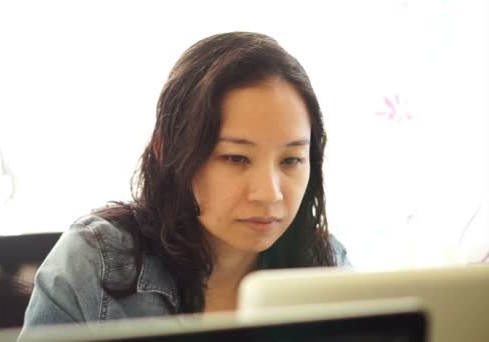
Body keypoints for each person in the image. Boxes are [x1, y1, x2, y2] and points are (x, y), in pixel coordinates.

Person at [20, 31, 351, 331]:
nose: (269, 194)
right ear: (169, 152)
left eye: (291, 160)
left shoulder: (326, 264)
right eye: (236, 158)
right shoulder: (94, 265)